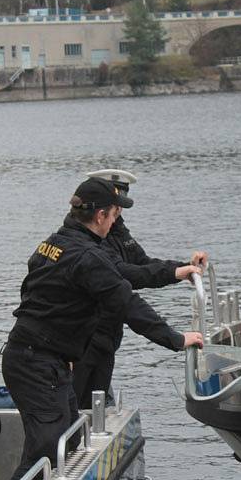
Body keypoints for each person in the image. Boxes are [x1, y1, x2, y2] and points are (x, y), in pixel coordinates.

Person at [0, 176, 203, 480]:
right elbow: (127, 304)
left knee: (67, 441)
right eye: (115, 214)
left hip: (39, 358)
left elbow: (39, 293)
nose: (117, 221)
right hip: (36, 362)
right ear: (102, 216)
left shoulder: (53, 243)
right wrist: (177, 339)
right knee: (49, 446)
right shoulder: (88, 257)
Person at [73, 169, 208, 409]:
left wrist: (183, 268)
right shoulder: (88, 242)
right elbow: (123, 276)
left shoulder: (117, 229)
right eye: (116, 206)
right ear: (101, 209)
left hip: (106, 337)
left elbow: (141, 262)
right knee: (76, 405)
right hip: (85, 338)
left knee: (95, 404)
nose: (119, 213)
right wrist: (174, 338)